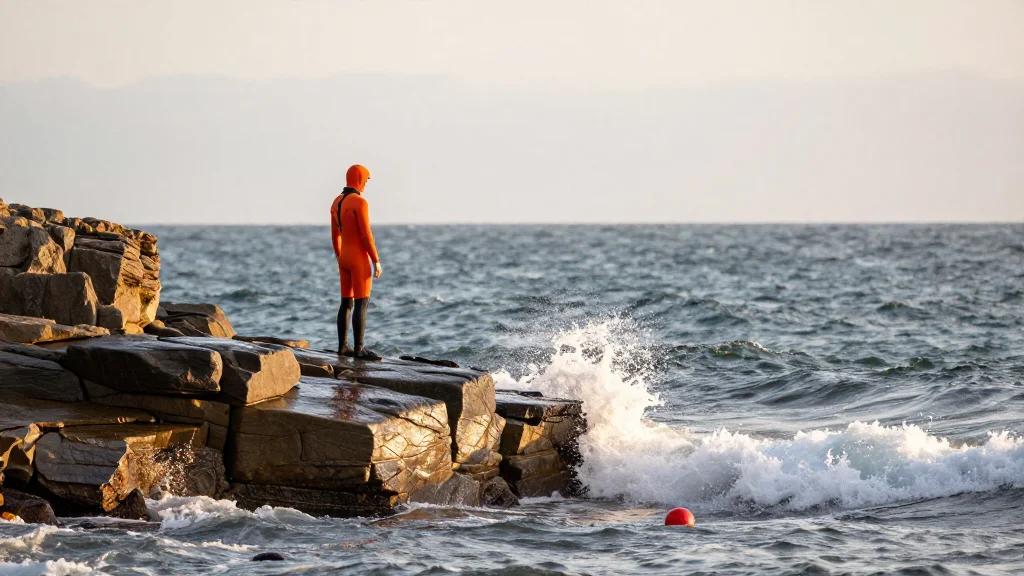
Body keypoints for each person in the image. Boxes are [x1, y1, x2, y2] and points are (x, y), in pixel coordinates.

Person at [330, 164, 382, 359]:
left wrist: (339, 256)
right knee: (362, 302)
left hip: (343, 257)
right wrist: (376, 260)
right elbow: (366, 234)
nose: (367, 184)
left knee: (346, 302)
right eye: (366, 180)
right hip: (358, 257)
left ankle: (342, 346)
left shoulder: (336, 202)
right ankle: (360, 348)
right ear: (360, 179)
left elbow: (335, 236)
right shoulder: (360, 203)